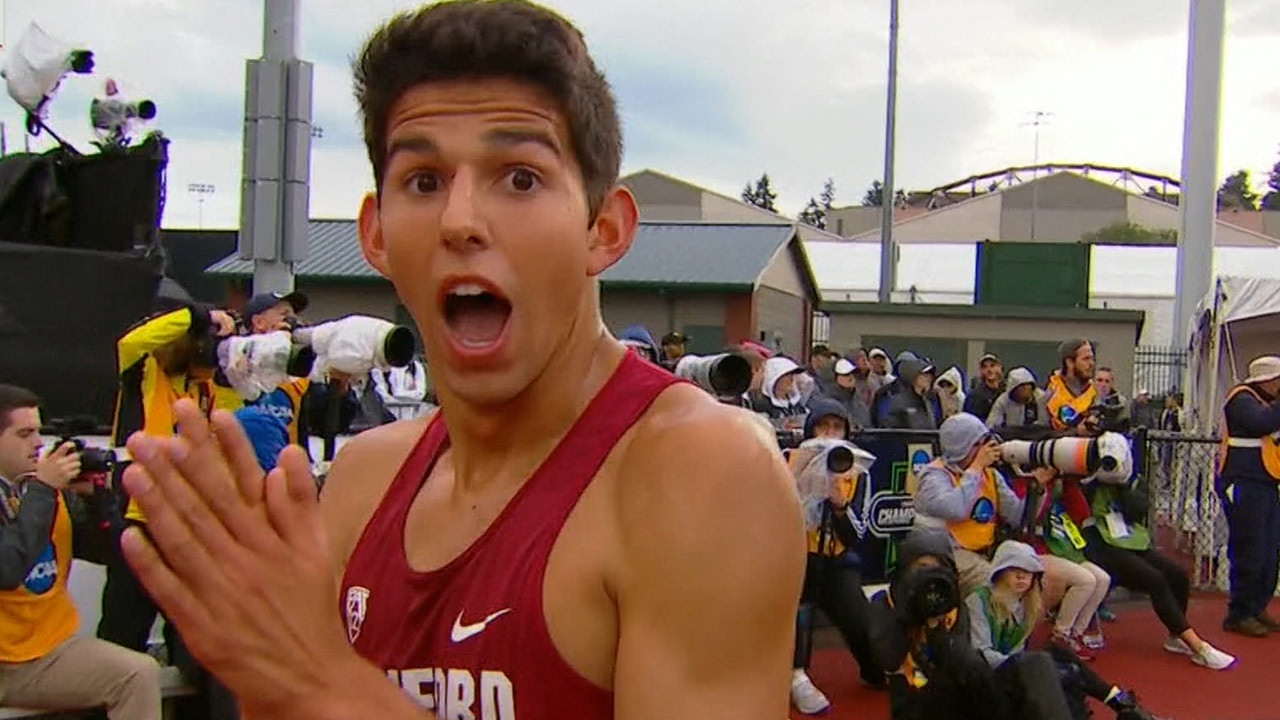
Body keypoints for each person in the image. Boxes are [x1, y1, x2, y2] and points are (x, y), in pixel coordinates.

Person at [113, 3, 806, 720]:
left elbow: (322, 693)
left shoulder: (700, 473)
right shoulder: (363, 479)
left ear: (603, 230)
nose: (460, 221)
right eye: (423, 180)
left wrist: (322, 684)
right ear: (376, 235)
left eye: (520, 178)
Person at [0, 385, 161, 720]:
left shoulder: (38, 492)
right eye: (25, 433)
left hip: (47, 649)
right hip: (5, 662)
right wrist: (44, 490)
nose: (38, 444)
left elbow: (115, 555)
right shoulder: (41, 491)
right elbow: (8, 568)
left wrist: (97, 499)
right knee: (134, 675)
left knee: (139, 672)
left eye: (39, 431)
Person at [99, 303, 239, 654]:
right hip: (139, 517)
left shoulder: (206, 390)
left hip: (188, 521)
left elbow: (237, 408)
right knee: (124, 628)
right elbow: (133, 341)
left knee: (194, 634)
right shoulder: (145, 372)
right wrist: (201, 317)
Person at [966, 541, 1163, 720]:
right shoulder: (979, 600)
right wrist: (1028, 666)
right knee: (1048, 667)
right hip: (986, 678)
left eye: (1028, 572)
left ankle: (1118, 701)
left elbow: (1019, 650)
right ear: (999, 572)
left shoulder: (1026, 605)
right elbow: (981, 653)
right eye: (1014, 570)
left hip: (1014, 669)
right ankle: (1121, 704)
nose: (1022, 577)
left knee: (1062, 659)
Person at [1080, 472, 1235, 669]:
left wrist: (1122, 484)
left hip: (1128, 540)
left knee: (1177, 576)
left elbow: (1137, 510)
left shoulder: (1132, 478)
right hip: (1099, 544)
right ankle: (1199, 647)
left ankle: (1175, 636)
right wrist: (1093, 478)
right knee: (1155, 580)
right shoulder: (1085, 478)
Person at [788, 400, 882, 715]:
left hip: (835, 559)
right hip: (793, 559)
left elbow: (857, 535)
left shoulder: (859, 472)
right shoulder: (789, 461)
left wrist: (840, 507)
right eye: (822, 427)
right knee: (786, 612)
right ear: (810, 430)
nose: (829, 435)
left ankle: (875, 670)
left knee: (861, 624)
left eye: (836, 427)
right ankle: (795, 674)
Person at [913, 413, 1027, 597]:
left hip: (986, 551)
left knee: (1030, 574)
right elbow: (955, 509)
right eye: (977, 445)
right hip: (948, 552)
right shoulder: (934, 476)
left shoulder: (990, 475)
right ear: (960, 446)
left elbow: (1016, 516)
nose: (984, 450)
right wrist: (975, 468)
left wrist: (1038, 485)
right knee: (994, 583)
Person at [1216, 355, 1280, 638]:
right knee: (1249, 549)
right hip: (1244, 484)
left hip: (1266, 483)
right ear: (1267, 380)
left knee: (1269, 550)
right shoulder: (1241, 399)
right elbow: (1261, 424)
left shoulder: (1263, 402)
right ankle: (1239, 613)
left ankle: (1257, 606)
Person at [1046, 339, 1100, 435]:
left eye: (1093, 359)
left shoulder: (1098, 394)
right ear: (1069, 362)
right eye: (1086, 359)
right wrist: (1076, 432)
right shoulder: (1050, 395)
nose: (1092, 363)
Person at [985, 367, 1049, 431]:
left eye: (1028, 384)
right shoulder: (1003, 401)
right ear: (1013, 387)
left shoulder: (1042, 398)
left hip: (1039, 435)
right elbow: (991, 425)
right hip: (1012, 436)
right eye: (1022, 385)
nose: (1026, 388)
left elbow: (1048, 423)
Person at [963, 353, 1004, 422]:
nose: (989, 370)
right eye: (984, 367)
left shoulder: (1006, 391)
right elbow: (971, 420)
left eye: (992, 366)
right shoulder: (976, 395)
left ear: (1000, 367)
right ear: (981, 371)